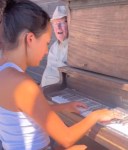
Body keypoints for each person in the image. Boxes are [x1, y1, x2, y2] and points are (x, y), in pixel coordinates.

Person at [0, 0, 119, 150]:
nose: (45, 51)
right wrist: (95, 115)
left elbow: (30, 110)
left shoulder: (4, 70)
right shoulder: (23, 84)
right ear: (30, 39)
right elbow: (67, 138)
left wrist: (64, 107)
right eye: (46, 43)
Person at [41, 6, 68, 87]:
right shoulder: (54, 46)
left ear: (69, 24)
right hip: (43, 89)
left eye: (62, 23)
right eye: (55, 24)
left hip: (57, 94)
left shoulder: (73, 48)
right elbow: (48, 70)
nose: (58, 27)